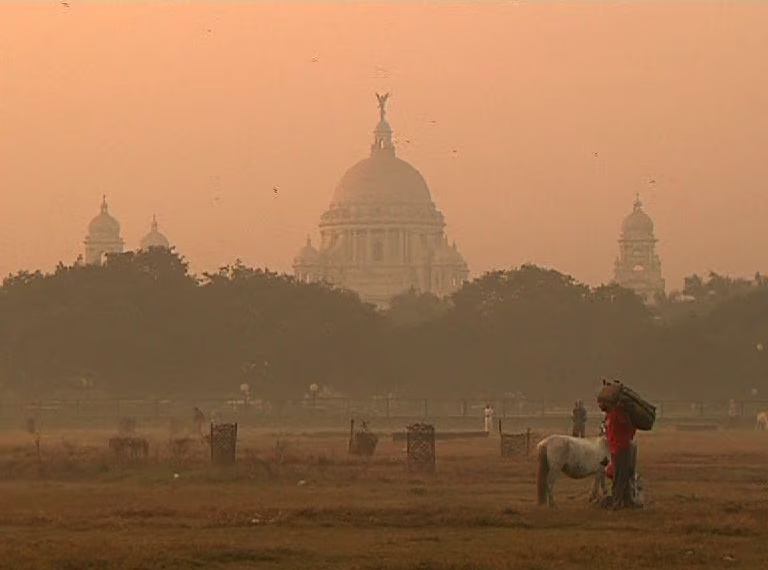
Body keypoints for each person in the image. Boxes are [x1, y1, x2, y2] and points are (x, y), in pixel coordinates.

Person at [597, 392, 638, 509]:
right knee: (621, 475)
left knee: (620, 476)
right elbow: (630, 429)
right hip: (620, 448)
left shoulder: (615, 414)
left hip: (619, 448)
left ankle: (620, 501)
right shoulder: (616, 414)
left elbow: (622, 428)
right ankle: (623, 501)